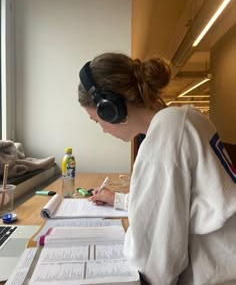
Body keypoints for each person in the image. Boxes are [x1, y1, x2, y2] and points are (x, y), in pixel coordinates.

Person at [78, 52, 236, 285]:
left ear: (110, 109)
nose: (101, 128)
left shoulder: (166, 135)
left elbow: (157, 262)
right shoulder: (187, 118)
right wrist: (119, 200)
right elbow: (179, 203)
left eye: (96, 120)